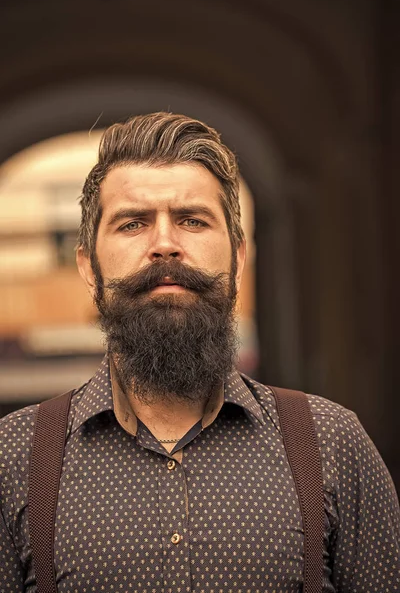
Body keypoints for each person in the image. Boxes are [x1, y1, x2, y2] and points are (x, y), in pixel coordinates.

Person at [0, 112, 399, 593]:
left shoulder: (334, 444)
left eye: (192, 220)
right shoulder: (13, 459)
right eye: (132, 223)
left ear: (237, 255)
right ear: (89, 266)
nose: (165, 245)